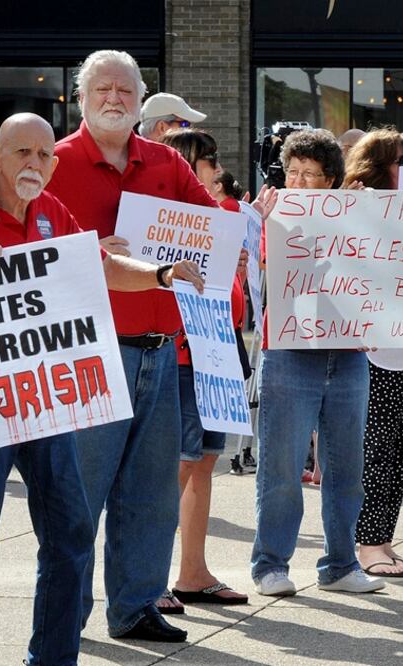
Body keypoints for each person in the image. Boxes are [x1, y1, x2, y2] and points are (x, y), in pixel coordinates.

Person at [0, 112, 205, 665]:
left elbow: (101, 265)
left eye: (45, 156)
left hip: (44, 403)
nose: (36, 165)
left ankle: (50, 658)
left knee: (71, 537)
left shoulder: (52, 211)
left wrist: (160, 273)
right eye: (23, 153)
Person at [45, 50, 225, 643]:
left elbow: (211, 232)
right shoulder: (55, 162)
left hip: (159, 350)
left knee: (149, 496)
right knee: (80, 495)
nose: (115, 98)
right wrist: (85, 247)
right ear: (80, 98)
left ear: (141, 98)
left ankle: (136, 606)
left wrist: (242, 232)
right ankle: (64, 617)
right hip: (88, 353)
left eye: (126, 89)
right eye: (103, 89)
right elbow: (24, 240)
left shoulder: (168, 162)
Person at [251, 127, 385, 596]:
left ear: (331, 180)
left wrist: (358, 215)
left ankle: (341, 565)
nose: (300, 182)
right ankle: (270, 564)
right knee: (282, 466)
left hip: (348, 353)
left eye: (311, 175)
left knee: (346, 467)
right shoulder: (276, 216)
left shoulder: (357, 213)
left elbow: (383, 265)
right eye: (293, 172)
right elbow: (272, 265)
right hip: (290, 351)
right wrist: (266, 222)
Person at [157, 128, 251, 611]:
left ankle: (193, 572)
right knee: (174, 467)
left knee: (204, 463)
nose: (218, 168)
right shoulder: (162, 221)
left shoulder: (221, 217)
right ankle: (149, 577)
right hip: (178, 358)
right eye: (208, 158)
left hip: (216, 353)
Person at [345, 129, 403, 577]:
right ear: (379, 165)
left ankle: (383, 538)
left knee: (401, 447)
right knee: (376, 445)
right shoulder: (358, 205)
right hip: (378, 344)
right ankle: (367, 544)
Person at [137, 92, 207, 142]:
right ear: (162, 127)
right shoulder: (163, 160)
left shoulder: (132, 155)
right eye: (185, 124)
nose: (189, 130)